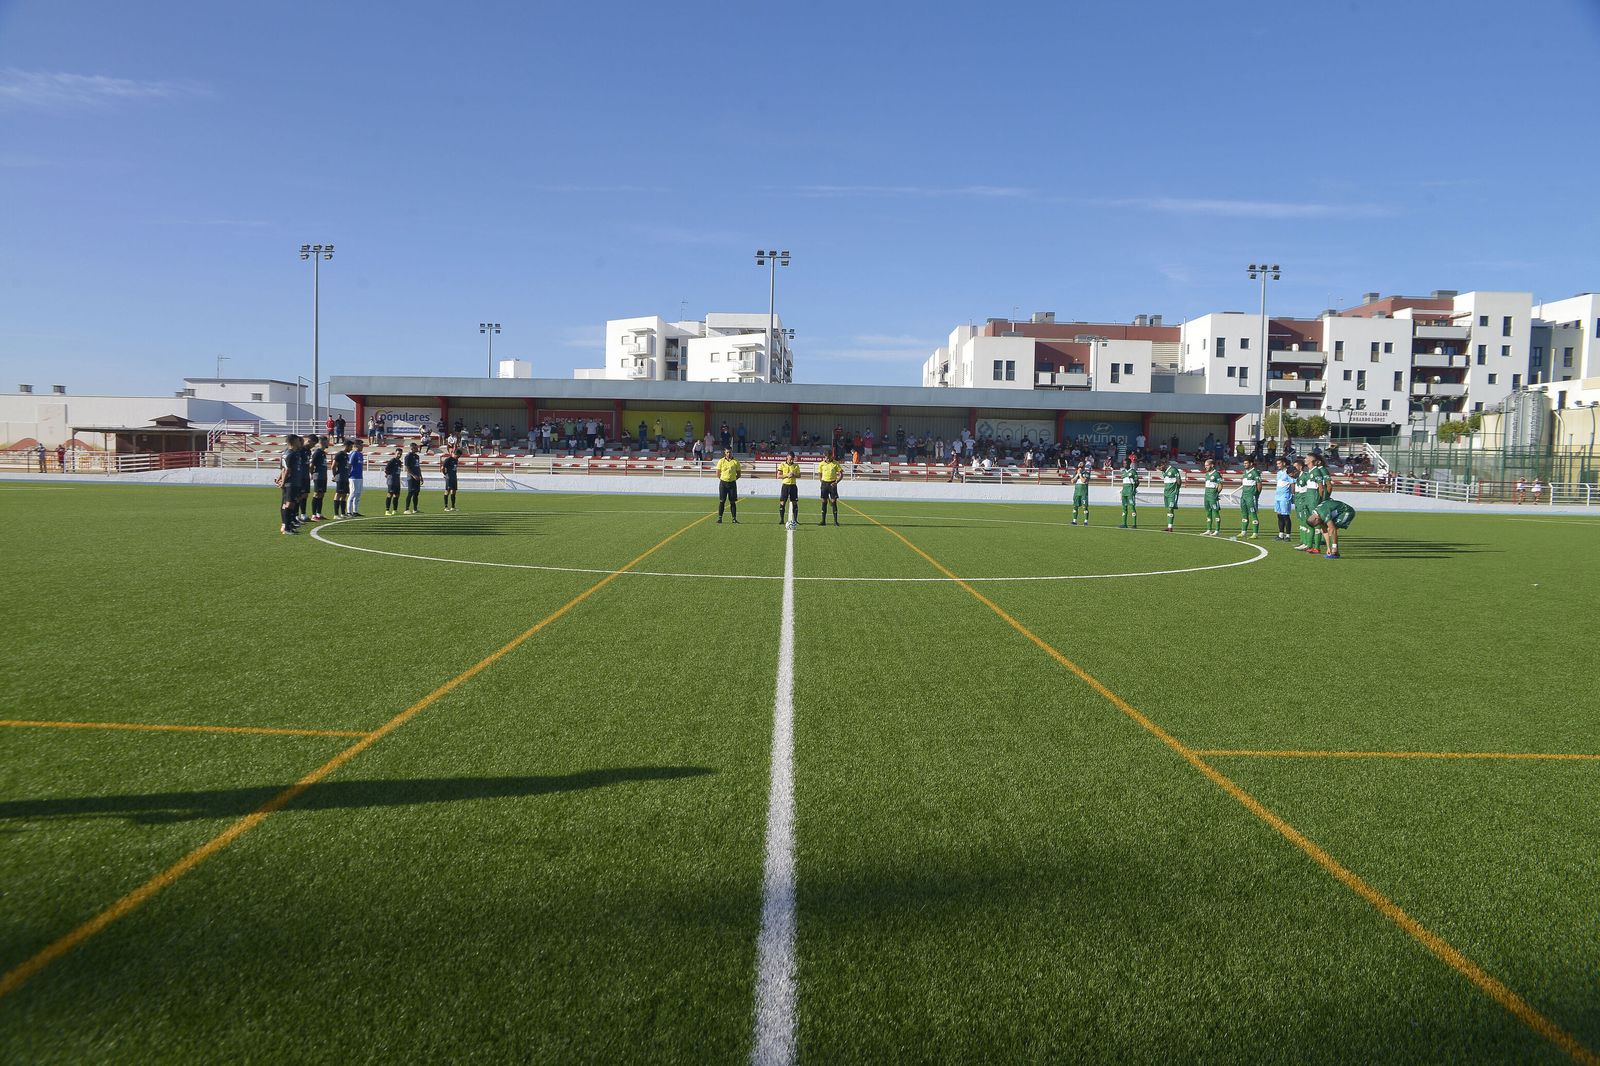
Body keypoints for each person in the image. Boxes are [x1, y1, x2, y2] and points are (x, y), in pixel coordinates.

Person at [276, 434, 303, 535]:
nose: (300, 442)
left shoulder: (290, 453)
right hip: (291, 482)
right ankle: (287, 528)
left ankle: (287, 525)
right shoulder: (290, 454)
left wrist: (280, 479)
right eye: (298, 440)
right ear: (293, 441)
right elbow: (286, 470)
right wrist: (282, 482)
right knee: (289, 504)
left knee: (287, 504)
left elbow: (283, 468)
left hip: (293, 482)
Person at [1237, 457, 1261, 539]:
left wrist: (1256, 494)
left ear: (1251, 464)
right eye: (1244, 463)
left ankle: (1255, 533)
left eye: (1246, 463)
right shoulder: (1245, 472)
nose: (1245, 465)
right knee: (1244, 514)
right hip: (1244, 496)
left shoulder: (1255, 472)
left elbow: (1259, 484)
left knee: (1253, 514)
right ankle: (1243, 532)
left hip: (1251, 496)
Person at [715, 447, 741, 523]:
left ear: (732, 452)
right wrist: (723, 479)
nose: (729, 454)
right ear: (725, 453)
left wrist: (732, 479)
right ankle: (720, 518)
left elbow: (739, 474)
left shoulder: (736, 461)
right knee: (722, 501)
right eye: (727, 452)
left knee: (732, 502)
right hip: (723, 483)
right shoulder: (721, 461)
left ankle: (734, 519)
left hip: (732, 483)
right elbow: (718, 473)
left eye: (730, 452)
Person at [817, 450, 842, 525]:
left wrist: (836, 482)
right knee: (824, 502)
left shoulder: (835, 463)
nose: (826, 459)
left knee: (834, 502)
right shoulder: (821, 464)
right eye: (825, 457)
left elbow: (841, 475)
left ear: (831, 456)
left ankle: (835, 521)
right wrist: (821, 482)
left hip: (832, 484)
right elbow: (820, 473)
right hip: (824, 484)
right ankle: (823, 521)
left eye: (828, 457)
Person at [1272, 457, 1295, 540]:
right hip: (1278, 497)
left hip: (1285, 497)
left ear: (1284, 463)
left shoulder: (1288, 472)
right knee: (1279, 515)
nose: (1277, 465)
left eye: (1279, 463)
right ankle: (1281, 534)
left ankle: (1288, 535)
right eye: (1277, 463)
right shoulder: (1278, 473)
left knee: (1286, 516)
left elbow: (1292, 484)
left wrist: (1293, 495)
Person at [776, 451, 801, 526]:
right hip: (785, 486)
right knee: (782, 502)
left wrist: (794, 475)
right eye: (790, 459)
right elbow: (778, 476)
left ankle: (796, 520)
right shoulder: (782, 465)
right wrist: (787, 475)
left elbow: (799, 475)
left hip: (793, 486)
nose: (791, 460)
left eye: (792, 459)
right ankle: (782, 520)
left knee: (794, 502)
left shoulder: (796, 465)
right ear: (787, 457)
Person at [309, 436, 329, 521]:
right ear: (323, 442)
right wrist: (312, 474)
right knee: (316, 494)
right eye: (327, 441)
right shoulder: (317, 452)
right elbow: (312, 464)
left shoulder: (323, 453)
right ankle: (313, 515)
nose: (328, 443)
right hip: (318, 476)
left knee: (321, 494)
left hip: (323, 476)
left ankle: (319, 513)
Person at [1201, 458, 1224, 536]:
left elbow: (1220, 485)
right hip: (1206, 495)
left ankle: (1217, 530)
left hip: (1213, 496)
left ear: (1212, 465)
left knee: (1215, 512)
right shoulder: (1207, 474)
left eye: (1207, 465)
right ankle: (1209, 530)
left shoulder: (1216, 474)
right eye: (1205, 465)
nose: (1206, 467)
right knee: (1208, 512)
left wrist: (1216, 494)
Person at [1161, 457, 1183, 532]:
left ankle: (1170, 528)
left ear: (1163, 464)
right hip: (1166, 493)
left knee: (1170, 508)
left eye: (1159, 466)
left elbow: (1179, 481)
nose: (1159, 468)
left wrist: (1177, 489)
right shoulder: (1164, 472)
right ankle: (1169, 526)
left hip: (1173, 493)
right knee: (1168, 509)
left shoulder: (1173, 470)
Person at [1118, 457, 1139, 528]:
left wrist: (1133, 488)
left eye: (1125, 463)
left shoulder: (1133, 471)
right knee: (1124, 508)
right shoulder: (1123, 472)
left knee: (1132, 507)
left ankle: (1134, 524)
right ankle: (1124, 523)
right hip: (1124, 491)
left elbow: (1137, 482)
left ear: (1129, 464)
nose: (1124, 465)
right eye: (1123, 463)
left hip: (1130, 491)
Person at [332, 440, 351, 518]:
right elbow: (333, 466)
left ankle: (343, 513)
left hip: (345, 477)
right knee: (338, 494)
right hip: (340, 477)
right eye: (350, 447)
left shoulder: (346, 455)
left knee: (344, 495)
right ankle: (336, 514)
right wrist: (335, 476)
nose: (351, 448)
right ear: (346, 446)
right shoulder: (339, 454)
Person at [403, 441, 423, 514]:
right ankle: (406, 509)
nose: (417, 448)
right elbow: (407, 468)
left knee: (416, 493)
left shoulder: (417, 456)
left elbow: (418, 467)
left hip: (417, 477)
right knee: (410, 492)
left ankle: (415, 509)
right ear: (412, 448)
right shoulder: (408, 456)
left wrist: (421, 476)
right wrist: (413, 475)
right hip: (411, 478)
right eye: (416, 447)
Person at [347, 439, 366, 516]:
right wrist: (348, 474)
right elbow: (350, 464)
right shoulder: (353, 454)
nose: (362, 447)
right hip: (353, 477)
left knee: (358, 494)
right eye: (361, 445)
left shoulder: (360, 454)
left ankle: (355, 511)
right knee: (352, 493)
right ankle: (348, 511)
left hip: (359, 477)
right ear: (356, 445)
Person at [383, 448, 403, 516]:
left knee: (396, 495)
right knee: (390, 494)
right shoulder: (392, 461)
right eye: (398, 453)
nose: (399, 455)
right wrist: (389, 476)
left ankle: (395, 510)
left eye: (400, 454)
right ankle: (387, 510)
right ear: (395, 453)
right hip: (391, 480)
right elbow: (386, 470)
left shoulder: (399, 462)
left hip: (397, 480)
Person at [1071, 461, 1091, 526]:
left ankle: (1086, 521)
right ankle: (1074, 521)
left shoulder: (1086, 473)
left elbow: (1084, 480)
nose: (1080, 465)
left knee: (1085, 507)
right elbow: (1072, 481)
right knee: (1075, 506)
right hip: (1077, 492)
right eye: (1079, 464)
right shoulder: (1075, 473)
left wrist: (1080, 474)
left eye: (1081, 464)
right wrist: (1077, 474)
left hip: (1083, 493)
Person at [442, 446, 460, 511]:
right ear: (455, 454)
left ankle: (453, 507)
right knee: (448, 491)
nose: (458, 457)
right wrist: (445, 474)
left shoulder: (456, 460)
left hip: (454, 477)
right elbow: (442, 468)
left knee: (454, 491)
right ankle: (446, 507)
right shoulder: (448, 460)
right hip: (449, 477)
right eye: (458, 456)